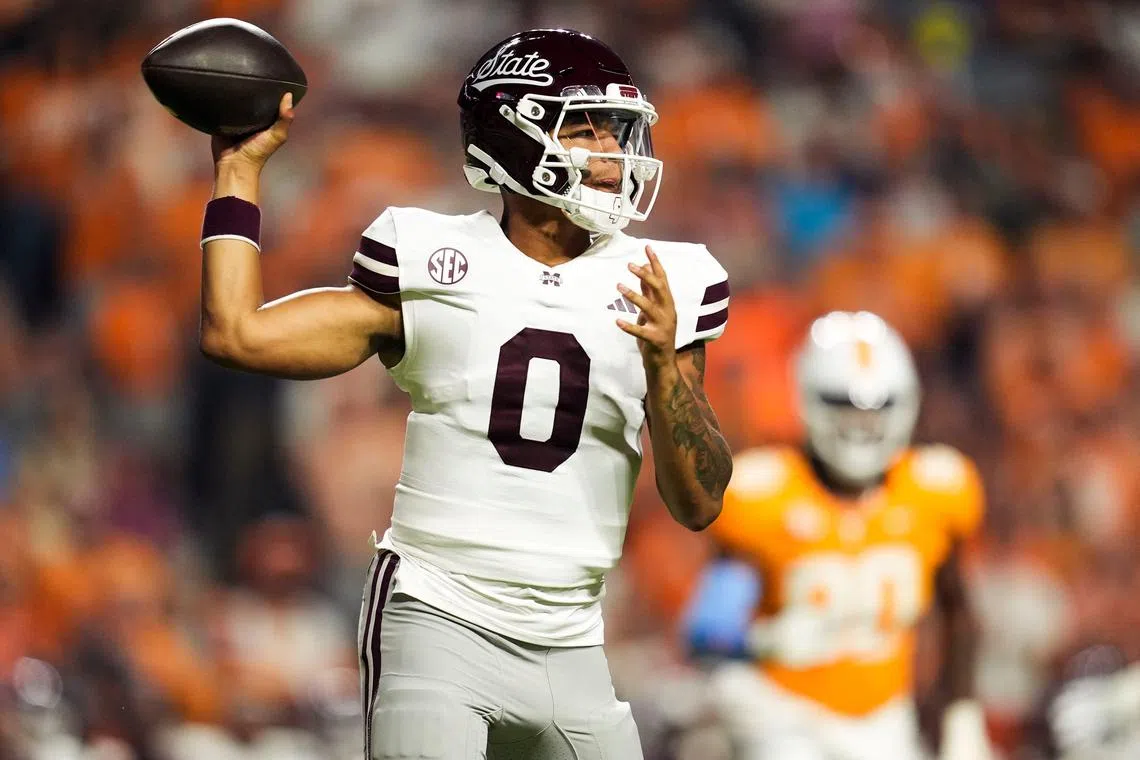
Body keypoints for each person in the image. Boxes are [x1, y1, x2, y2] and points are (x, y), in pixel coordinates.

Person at [197, 28, 733, 760]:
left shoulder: (665, 280)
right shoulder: (430, 257)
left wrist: (665, 366)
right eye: (585, 130)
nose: (613, 151)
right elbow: (236, 334)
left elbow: (699, 504)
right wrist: (238, 170)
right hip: (437, 620)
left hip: (574, 640)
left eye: (616, 128)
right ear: (514, 139)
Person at [686, 311, 992, 760]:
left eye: (876, 411)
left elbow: (959, 614)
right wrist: (765, 642)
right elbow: (709, 631)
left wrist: (961, 714)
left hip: (886, 721)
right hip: (780, 714)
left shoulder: (934, 490)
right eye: (844, 408)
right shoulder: (764, 494)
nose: (860, 426)